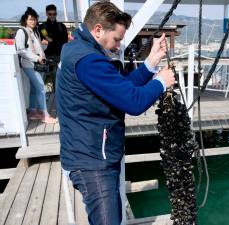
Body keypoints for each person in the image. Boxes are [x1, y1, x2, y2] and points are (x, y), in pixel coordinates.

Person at [56, 2, 175, 225]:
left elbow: (120, 89)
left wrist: (150, 63)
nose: (118, 45)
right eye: (117, 39)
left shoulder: (77, 49)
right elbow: (133, 101)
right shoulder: (89, 61)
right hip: (92, 163)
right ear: (99, 29)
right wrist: (161, 82)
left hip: (88, 154)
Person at [15, 7, 57, 124]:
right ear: (25, 20)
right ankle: (45, 115)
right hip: (29, 65)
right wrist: (37, 58)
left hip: (36, 64)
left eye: (34, 19)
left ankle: (33, 112)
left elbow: (37, 48)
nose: (33, 21)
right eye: (30, 19)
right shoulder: (21, 31)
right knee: (41, 89)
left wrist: (43, 50)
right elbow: (21, 50)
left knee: (34, 89)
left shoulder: (35, 31)